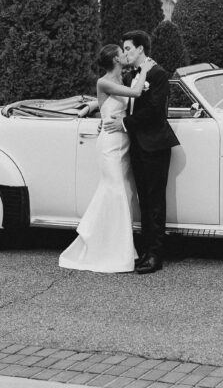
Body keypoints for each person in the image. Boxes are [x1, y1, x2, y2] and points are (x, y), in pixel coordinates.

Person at [58, 44, 154, 273]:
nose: (125, 54)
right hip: (110, 144)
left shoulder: (124, 78)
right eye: (122, 52)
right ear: (115, 59)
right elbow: (136, 93)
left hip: (124, 143)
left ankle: (114, 245)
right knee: (115, 191)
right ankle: (112, 250)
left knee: (124, 193)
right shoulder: (104, 82)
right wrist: (146, 71)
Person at [103, 29, 179, 274]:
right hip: (137, 145)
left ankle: (156, 255)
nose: (125, 53)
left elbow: (155, 111)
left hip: (155, 144)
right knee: (144, 201)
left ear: (140, 50)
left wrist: (124, 124)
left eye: (127, 48)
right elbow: (130, 105)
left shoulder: (157, 74)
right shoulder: (133, 76)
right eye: (123, 49)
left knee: (155, 201)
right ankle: (145, 251)